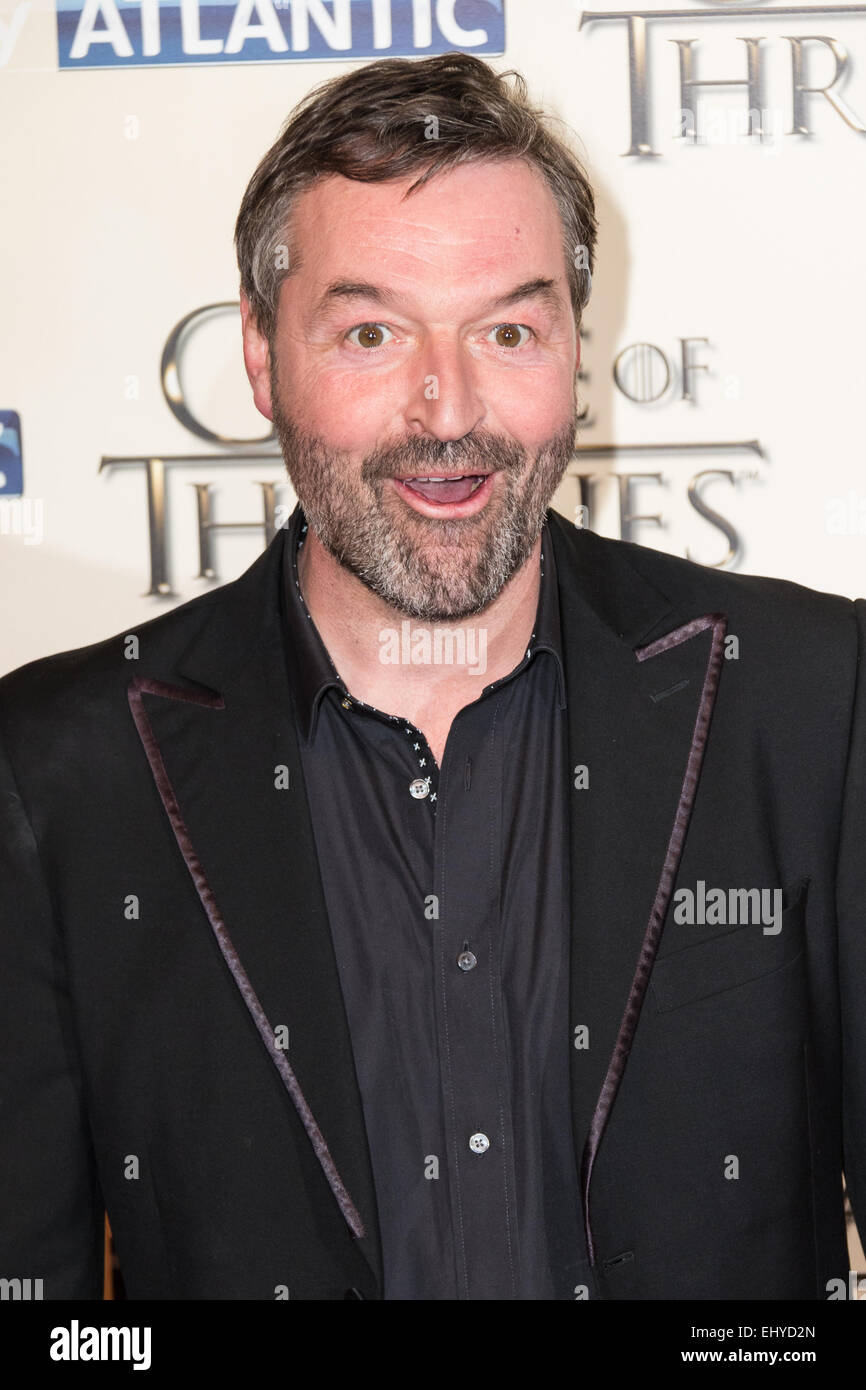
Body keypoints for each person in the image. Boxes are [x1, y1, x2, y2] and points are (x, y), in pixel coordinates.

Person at [1, 51, 864, 1302]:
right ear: (258, 355)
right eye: (369, 331)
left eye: (506, 329)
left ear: (577, 344)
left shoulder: (812, 705)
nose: (445, 408)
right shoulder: (55, 775)